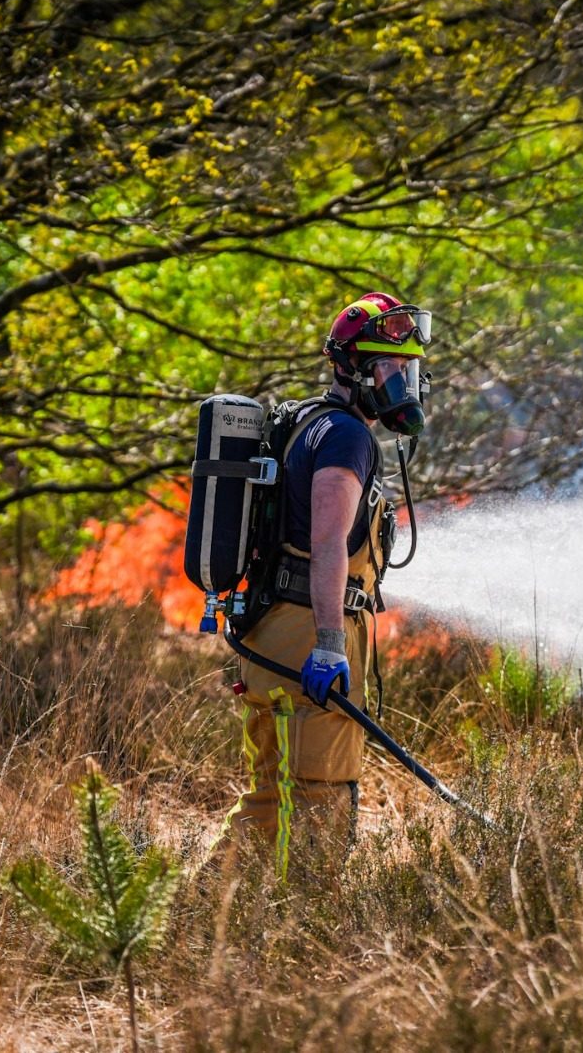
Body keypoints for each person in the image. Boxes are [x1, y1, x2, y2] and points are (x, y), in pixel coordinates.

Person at [209, 291, 431, 882]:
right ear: (356, 370)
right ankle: (276, 928)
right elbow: (330, 542)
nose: (402, 384)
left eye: (407, 370)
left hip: (278, 631)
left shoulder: (308, 423)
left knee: (272, 797)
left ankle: (207, 919)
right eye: (391, 368)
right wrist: (331, 644)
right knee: (315, 801)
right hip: (309, 636)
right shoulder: (346, 439)